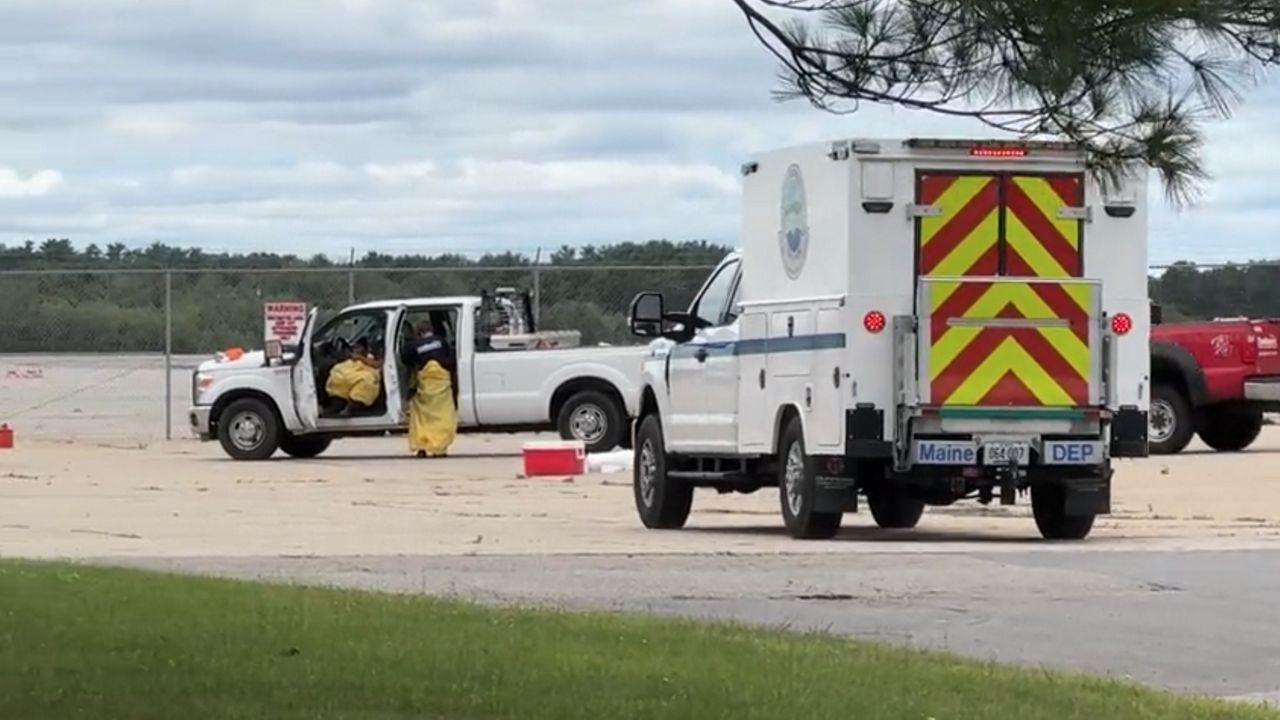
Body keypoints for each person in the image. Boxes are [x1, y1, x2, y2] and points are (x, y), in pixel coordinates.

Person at [402, 319, 458, 457]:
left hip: (426, 386)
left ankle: (421, 447)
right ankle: (439, 448)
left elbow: (406, 361)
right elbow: (451, 361)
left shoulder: (413, 346)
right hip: (442, 385)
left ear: (418, 333)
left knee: (421, 417)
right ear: (430, 331)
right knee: (443, 416)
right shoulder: (441, 341)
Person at [324, 339, 382, 416]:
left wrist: (360, 358)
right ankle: (336, 405)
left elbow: (378, 364)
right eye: (354, 347)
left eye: (358, 347)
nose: (355, 349)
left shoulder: (372, 355)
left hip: (365, 372)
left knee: (365, 380)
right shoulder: (350, 355)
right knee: (337, 375)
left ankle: (351, 408)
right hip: (350, 370)